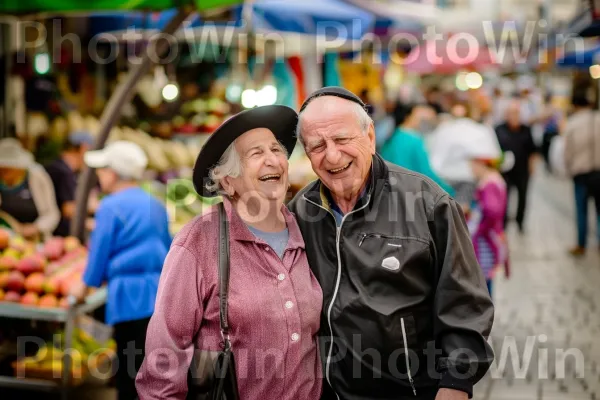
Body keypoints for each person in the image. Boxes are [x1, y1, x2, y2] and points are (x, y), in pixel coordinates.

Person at [289, 87, 494, 400]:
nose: (332, 156)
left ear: (369, 136)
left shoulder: (428, 203)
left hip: (411, 390)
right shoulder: (300, 212)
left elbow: (465, 305)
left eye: (342, 139)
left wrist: (455, 385)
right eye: (317, 146)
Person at [136, 105, 323, 399]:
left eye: (276, 150)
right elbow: (163, 361)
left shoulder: (308, 231)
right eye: (256, 154)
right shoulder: (198, 242)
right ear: (228, 180)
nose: (273, 160)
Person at [69, 141, 172, 400]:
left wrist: (84, 287)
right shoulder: (155, 203)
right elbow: (170, 247)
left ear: (113, 173)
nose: (100, 175)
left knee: (128, 370)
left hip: (129, 297)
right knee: (151, 366)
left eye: (102, 170)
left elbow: (99, 254)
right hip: (159, 293)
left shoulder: (110, 206)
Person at [465, 137, 509, 297]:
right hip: (490, 237)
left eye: (472, 164)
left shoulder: (489, 183)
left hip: (486, 240)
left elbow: (491, 210)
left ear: (481, 163)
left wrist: (480, 229)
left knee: (483, 282)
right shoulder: (493, 180)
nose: (470, 168)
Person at [380, 103, 454, 195]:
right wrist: (448, 191)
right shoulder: (413, 139)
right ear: (408, 117)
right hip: (411, 192)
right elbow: (426, 172)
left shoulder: (395, 136)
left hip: (392, 192)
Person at [563, 90, 600, 256]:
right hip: (599, 172)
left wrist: (568, 168)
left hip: (581, 173)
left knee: (581, 210)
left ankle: (581, 244)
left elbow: (567, 151)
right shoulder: (598, 119)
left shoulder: (573, 123)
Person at [0, 138, 60, 238]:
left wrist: (36, 228)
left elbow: (52, 213)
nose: (4, 172)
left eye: (7, 169)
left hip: (35, 241)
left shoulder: (37, 176)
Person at [495, 100, 537, 233]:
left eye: (516, 113)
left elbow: (533, 150)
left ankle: (520, 222)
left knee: (523, 197)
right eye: (510, 113)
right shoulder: (499, 129)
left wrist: (532, 166)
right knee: (504, 197)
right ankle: (503, 222)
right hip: (505, 171)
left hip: (522, 170)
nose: (513, 117)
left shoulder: (526, 130)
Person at [44, 132, 94, 237]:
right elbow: (68, 210)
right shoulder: (64, 172)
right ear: (83, 148)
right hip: (59, 235)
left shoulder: (55, 166)